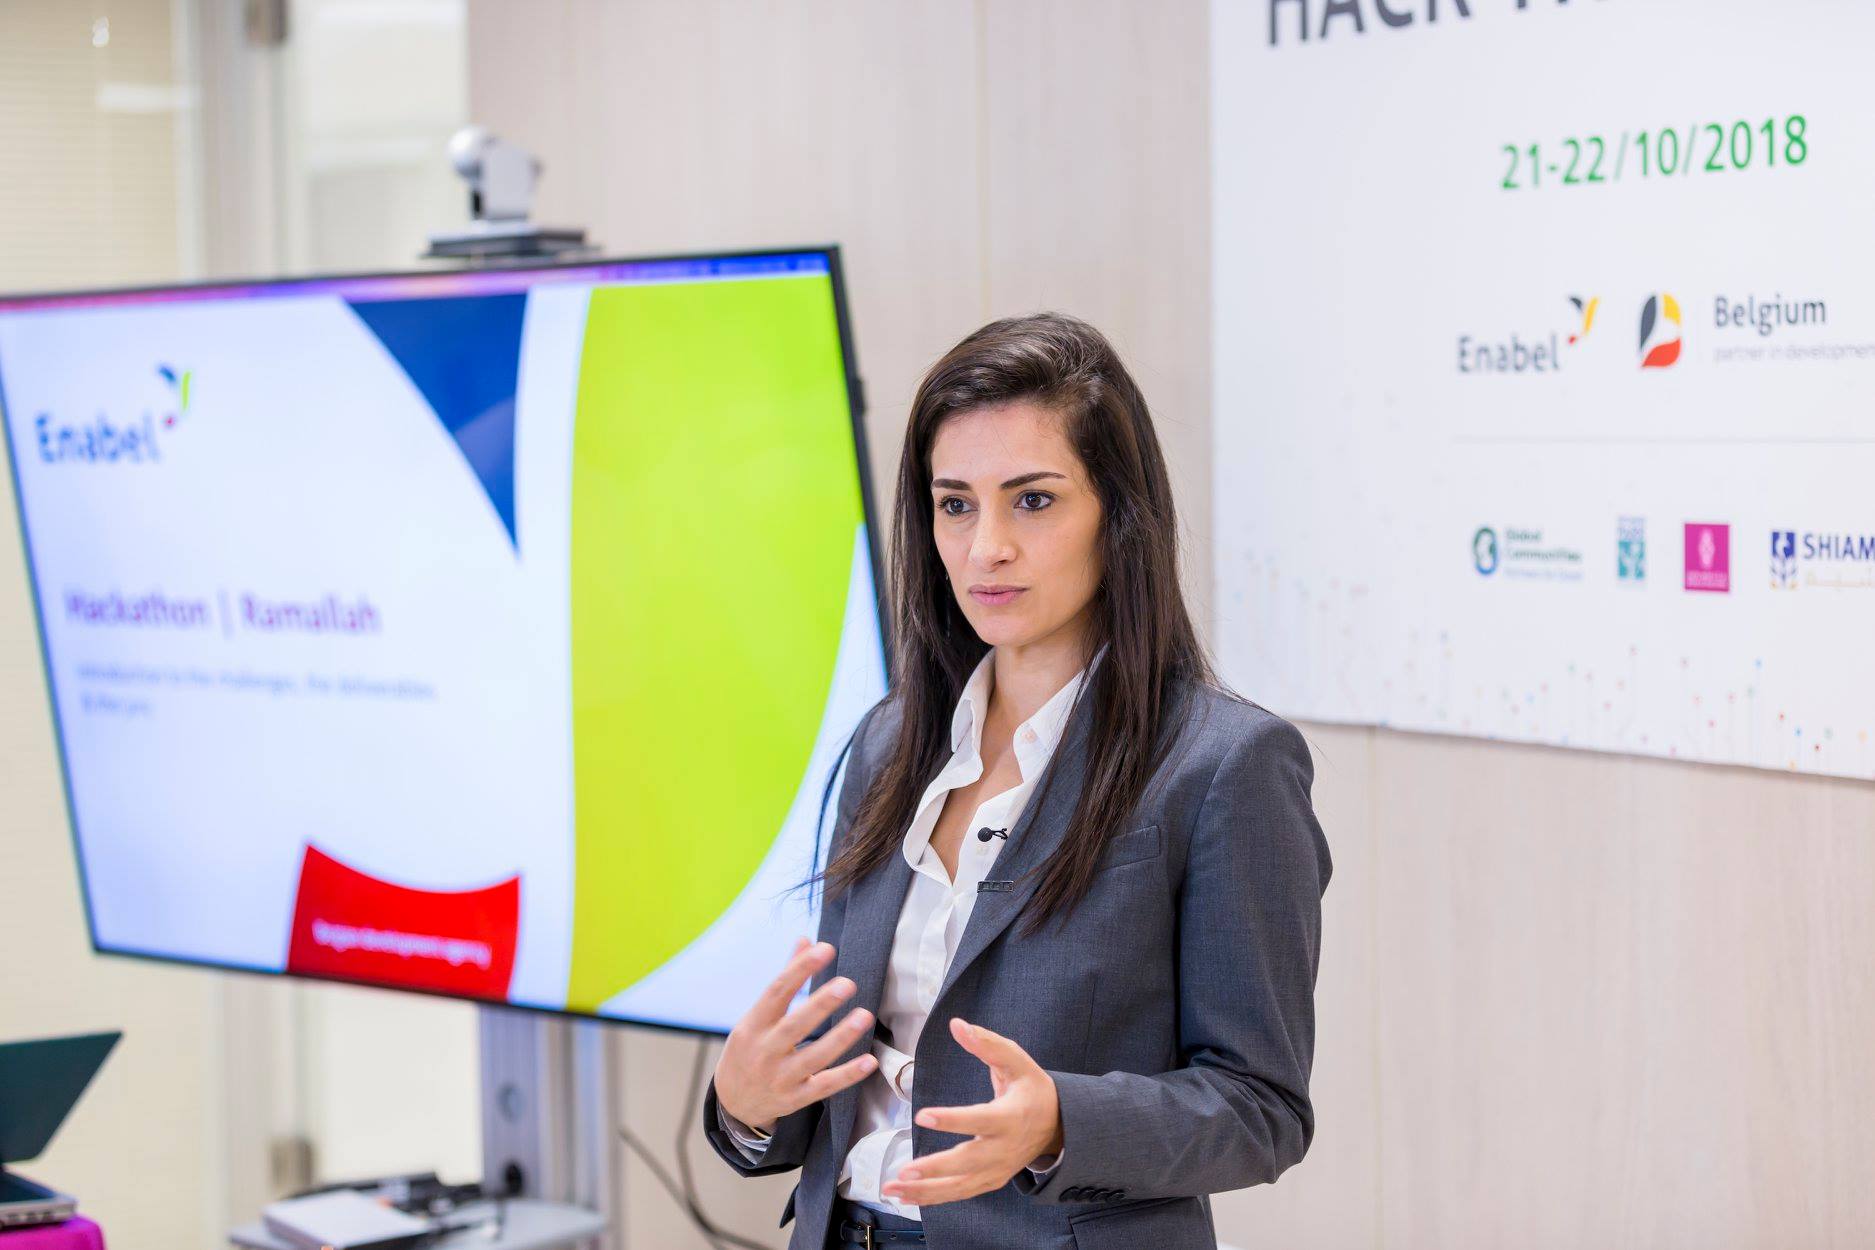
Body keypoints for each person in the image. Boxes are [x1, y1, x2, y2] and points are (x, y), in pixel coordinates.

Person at [701, 312, 1331, 1249]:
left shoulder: (1225, 765)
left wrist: (1061, 1123)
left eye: (1032, 501)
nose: (984, 546)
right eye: (954, 505)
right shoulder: (888, 742)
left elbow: (1259, 1108)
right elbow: (837, 1084)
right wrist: (746, 1103)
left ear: (1118, 515)